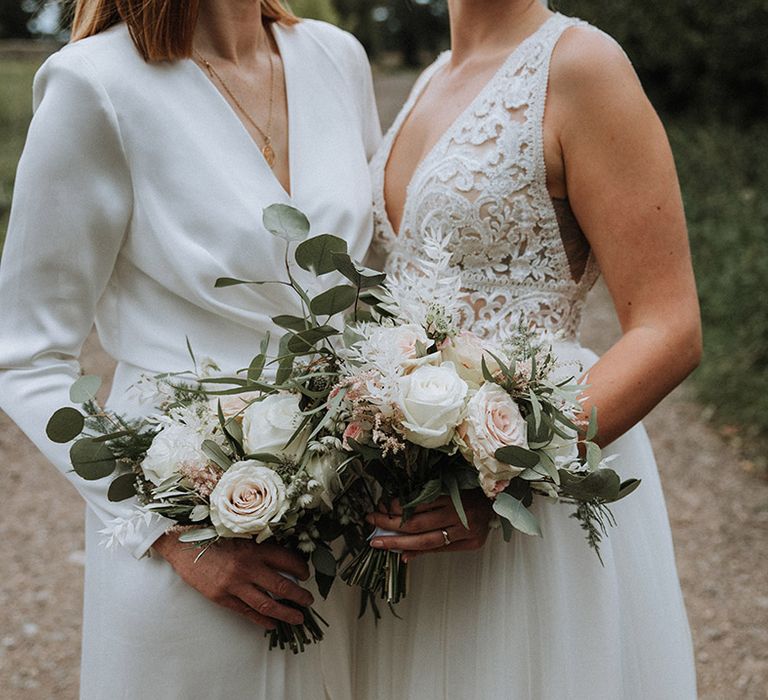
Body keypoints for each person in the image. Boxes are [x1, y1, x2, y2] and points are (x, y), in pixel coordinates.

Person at [0, 0, 380, 697]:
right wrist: (170, 533)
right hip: (192, 542)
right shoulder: (94, 84)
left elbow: (368, 286)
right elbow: (23, 356)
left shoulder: (334, 56)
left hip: (342, 524)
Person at [359, 1, 700, 697]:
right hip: (412, 508)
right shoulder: (431, 79)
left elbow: (670, 326)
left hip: (528, 500)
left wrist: (506, 471)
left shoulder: (582, 66)